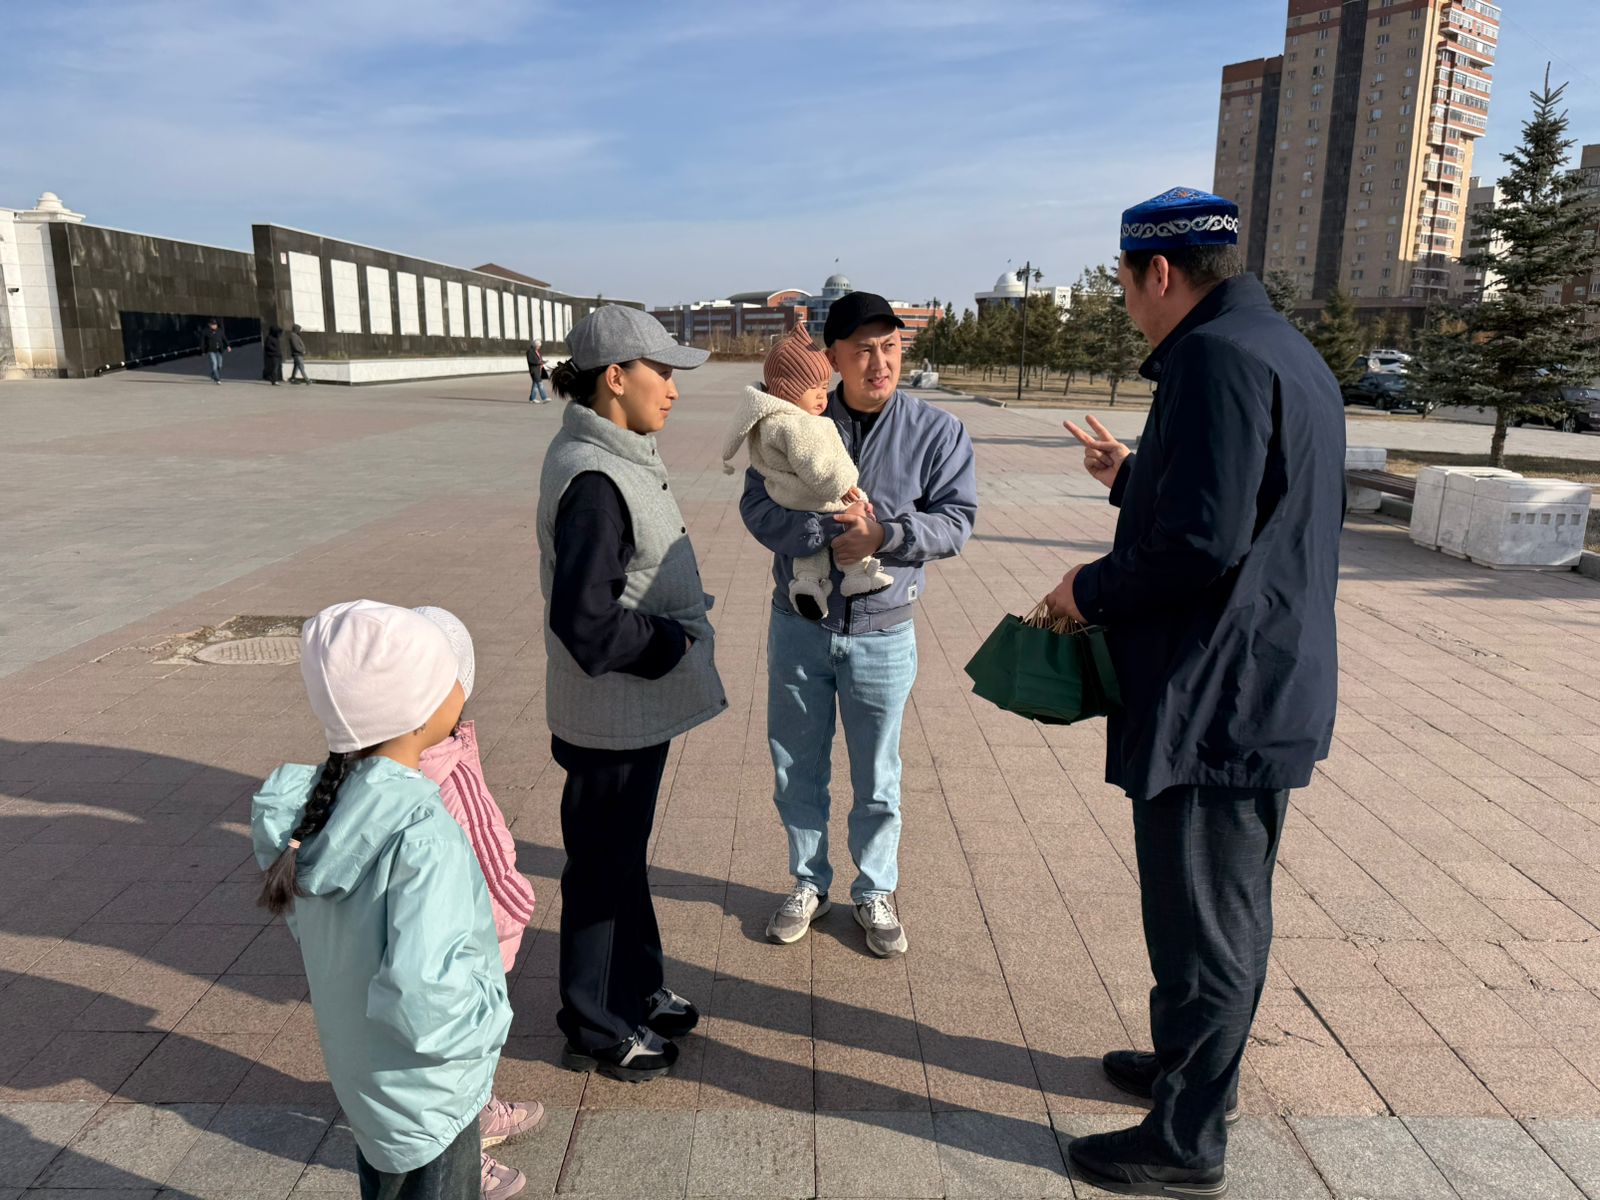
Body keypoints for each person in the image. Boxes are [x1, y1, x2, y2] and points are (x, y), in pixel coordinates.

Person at [1043, 187, 1344, 1198]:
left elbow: (1203, 543)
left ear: (1159, 273)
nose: (1128, 302)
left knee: (1208, 919)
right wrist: (1132, 477)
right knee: (1205, 906)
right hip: (1251, 678)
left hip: (1220, 691)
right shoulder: (1277, 347)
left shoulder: (1214, 357)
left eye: (1126, 284)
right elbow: (1248, 500)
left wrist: (1087, 589)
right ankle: (1188, 1066)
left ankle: (1186, 1139)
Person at [252, 600, 523, 1200]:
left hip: (366, 1080)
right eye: (449, 675)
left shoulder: (317, 811)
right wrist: (490, 1021)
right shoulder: (423, 833)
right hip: (431, 1094)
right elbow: (427, 996)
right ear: (421, 707)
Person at [741, 292, 977, 957]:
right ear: (834, 358)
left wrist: (885, 536)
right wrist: (824, 532)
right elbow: (758, 508)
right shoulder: (793, 420)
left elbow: (956, 520)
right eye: (864, 350)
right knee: (796, 764)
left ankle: (874, 890)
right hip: (800, 625)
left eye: (891, 347)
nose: (880, 363)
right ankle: (808, 882)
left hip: (884, 631)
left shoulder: (937, 431)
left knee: (878, 774)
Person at [537, 304, 726, 1081]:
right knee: (600, 868)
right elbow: (586, 622)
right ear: (616, 378)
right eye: (664, 372)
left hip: (626, 711)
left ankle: (637, 987)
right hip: (608, 714)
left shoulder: (615, 454)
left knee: (620, 857)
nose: (674, 389)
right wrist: (669, 642)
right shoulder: (595, 477)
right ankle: (595, 1023)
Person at [413, 606, 545, 1159]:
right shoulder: (448, 772)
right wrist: (519, 907)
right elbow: (492, 864)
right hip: (469, 947)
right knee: (464, 1047)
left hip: (417, 951)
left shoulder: (375, 772)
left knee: (433, 1049)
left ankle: (474, 1111)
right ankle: (464, 1150)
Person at [720, 324, 891, 620]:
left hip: (789, 495)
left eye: (825, 388)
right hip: (814, 491)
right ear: (789, 390)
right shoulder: (798, 424)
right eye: (815, 389)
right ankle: (856, 573)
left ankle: (808, 583)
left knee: (811, 550)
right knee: (854, 514)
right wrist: (842, 488)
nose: (823, 397)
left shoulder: (772, 419)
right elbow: (815, 464)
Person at [199, 319, 227, 384]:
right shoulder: (205, 331)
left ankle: (213, 374)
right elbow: (202, 341)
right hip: (211, 350)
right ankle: (217, 379)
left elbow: (224, 338)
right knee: (214, 364)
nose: (214, 326)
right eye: (213, 325)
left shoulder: (219, 330)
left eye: (215, 324)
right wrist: (203, 350)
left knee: (219, 365)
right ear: (209, 325)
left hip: (219, 350)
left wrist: (228, 346)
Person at [527, 339, 549, 404]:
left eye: (539, 346)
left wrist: (543, 361)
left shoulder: (537, 351)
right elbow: (530, 361)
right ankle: (544, 398)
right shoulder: (530, 351)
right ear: (535, 345)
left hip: (538, 370)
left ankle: (532, 399)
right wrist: (539, 362)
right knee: (540, 384)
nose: (539, 347)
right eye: (538, 346)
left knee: (535, 385)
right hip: (534, 370)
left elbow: (539, 359)